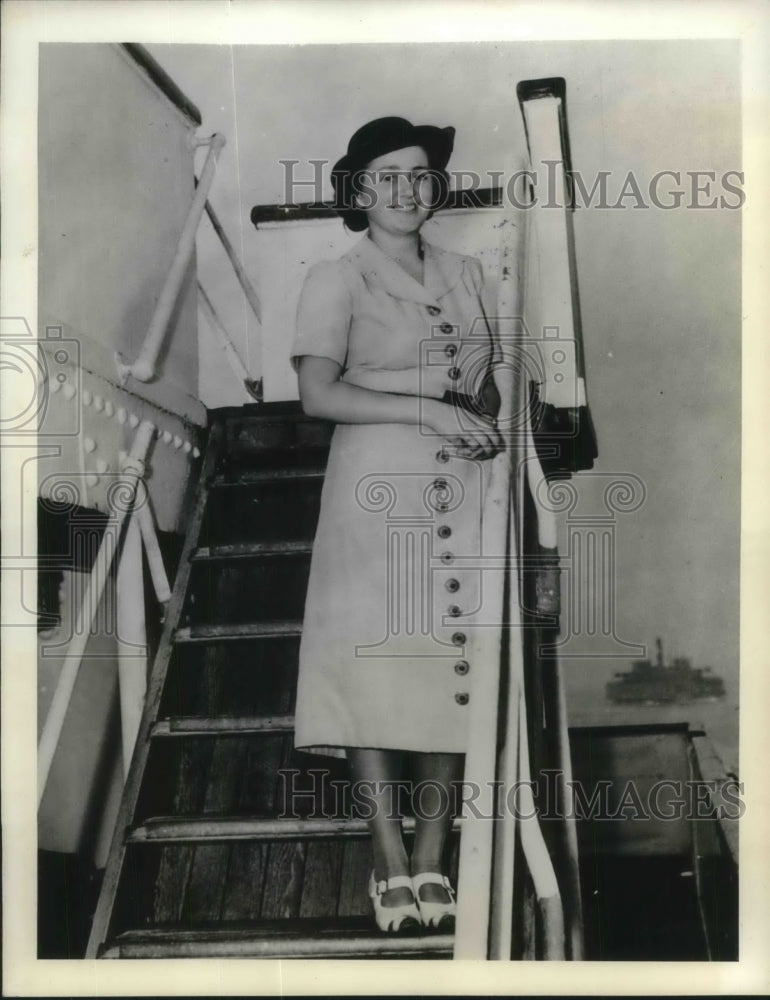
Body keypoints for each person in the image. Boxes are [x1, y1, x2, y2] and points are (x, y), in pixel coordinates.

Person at [290, 117, 504, 934]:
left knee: (452, 659)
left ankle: (433, 857)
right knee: (372, 670)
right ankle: (388, 860)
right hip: (376, 487)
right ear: (357, 190)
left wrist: (486, 414)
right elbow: (319, 395)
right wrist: (430, 412)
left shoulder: (472, 272)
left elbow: (487, 382)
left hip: (462, 488)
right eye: (386, 176)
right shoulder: (335, 277)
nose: (407, 190)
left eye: (419, 175)